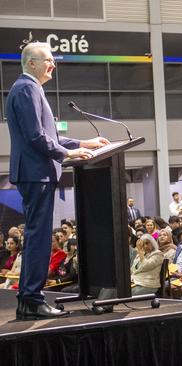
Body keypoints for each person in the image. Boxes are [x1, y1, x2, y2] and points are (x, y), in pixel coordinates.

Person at [7, 42, 109, 320]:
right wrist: (69, 153)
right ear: (31, 63)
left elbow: (46, 136)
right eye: (49, 60)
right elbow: (36, 137)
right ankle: (31, 299)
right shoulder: (27, 89)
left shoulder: (29, 88)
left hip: (35, 172)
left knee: (38, 237)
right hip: (35, 173)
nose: (53, 64)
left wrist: (83, 142)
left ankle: (31, 298)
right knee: (38, 239)